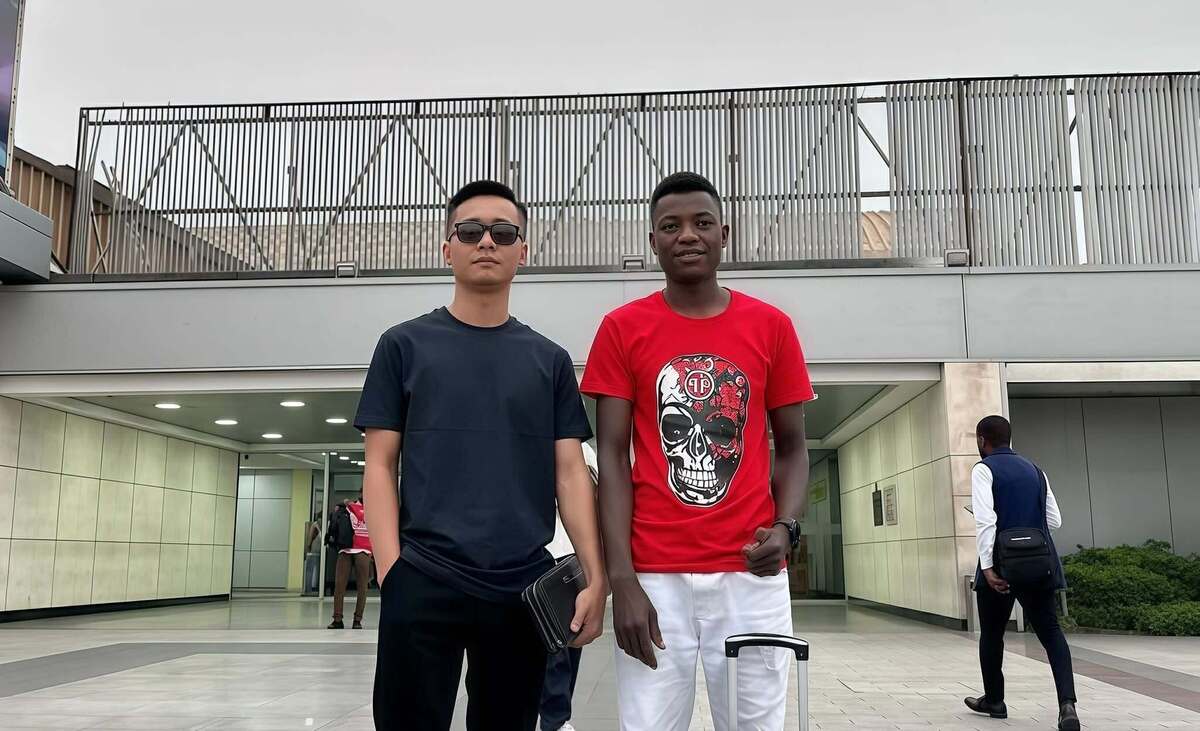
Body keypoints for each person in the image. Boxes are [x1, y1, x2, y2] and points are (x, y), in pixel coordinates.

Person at [355, 180, 608, 731]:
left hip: (521, 587)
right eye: (470, 231)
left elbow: (570, 472)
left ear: (524, 250)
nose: (486, 241)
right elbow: (379, 464)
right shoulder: (402, 346)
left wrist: (596, 577)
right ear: (447, 249)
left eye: (503, 232)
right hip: (423, 575)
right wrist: (392, 572)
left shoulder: (549, 360)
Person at [581, 171, 814, 731]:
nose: (687, 235)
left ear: (723, 234)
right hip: (653, 576)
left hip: (751, 575)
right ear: (653, 240)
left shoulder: (772, 327)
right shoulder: (621, 329)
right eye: (671, 226)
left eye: (702, 222)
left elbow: (792, 448)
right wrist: (622, 580)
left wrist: (786, 528)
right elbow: (611, 459)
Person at [966, 415, 1079, 731]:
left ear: (982, 440)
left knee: (992, 633)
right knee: (1051, 633)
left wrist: (987, 567)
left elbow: (985, 520)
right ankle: (1067, 706)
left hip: (1002, 564)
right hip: (1039, 564)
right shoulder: (1036, 470)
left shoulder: (984, 469)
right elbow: (1053, 520)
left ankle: (995, 701)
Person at [538, 441, 599, 731]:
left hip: (572, 559)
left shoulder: (583, 450)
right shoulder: (533, 443)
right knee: (554, 651)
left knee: (572, 640)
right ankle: (555, 721)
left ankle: (558, 719)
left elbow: (592, 497)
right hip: (542, 557)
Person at [328, 497, 372, 629]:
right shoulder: (352, 507)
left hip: (358, 549)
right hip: (352, 549)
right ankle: (344, 619)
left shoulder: (350, 506)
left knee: (350, 587)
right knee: (349, 586)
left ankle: (348, 619)